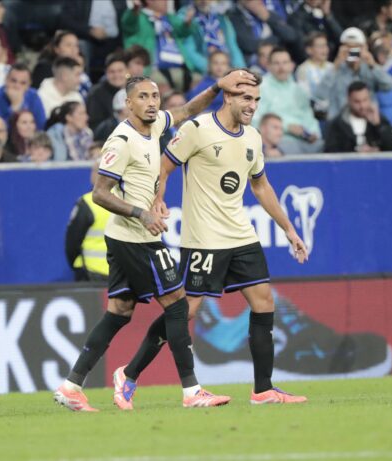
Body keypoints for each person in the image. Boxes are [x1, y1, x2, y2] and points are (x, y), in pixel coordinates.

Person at [52, 69, 257, 412]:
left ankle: (71, 386)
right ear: (128, 103)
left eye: (155, 96)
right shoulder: (121, 140)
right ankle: (192, 391)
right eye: (143, 97)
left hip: (126, 237)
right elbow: (100, 193)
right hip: (135, 239)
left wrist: (216, 87)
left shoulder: (156, 124)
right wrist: (142, 214)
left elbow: (187, 110)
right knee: (178, 305)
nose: (151, 103)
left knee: (119, 313)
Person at [113, 69, 309, 410]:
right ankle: (129, 374)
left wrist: (289, 229)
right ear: (228, 97)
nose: (252, 105)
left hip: (241, 234)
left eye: (256, 100)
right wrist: (157, 199)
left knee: (264, 302)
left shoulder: (252, 138)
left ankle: (263, 389)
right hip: (204, 239)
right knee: (185, 311)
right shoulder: (197, 129)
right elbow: (164, 167)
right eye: (245, 97)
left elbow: (261, 186)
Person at [315, 27, 392, 120]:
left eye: (356, 48)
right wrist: (336, 65)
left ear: (364, 48)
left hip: (366, 120)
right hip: (341, 122)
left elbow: (389, 85)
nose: (353, 52)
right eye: (349, 47)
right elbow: (320, 95)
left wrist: (373, 65)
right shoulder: (335, 70)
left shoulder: (370, 69)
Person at [254, 47, 322, 154]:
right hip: (280, 138)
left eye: (285, 63)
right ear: (269, 66)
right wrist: (286, 127)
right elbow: (256, 120)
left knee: (322, 145)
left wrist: (313, 133)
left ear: (292, 65)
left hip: (305, 139)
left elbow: (308, 116)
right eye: (276, 63)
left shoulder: (299, 90)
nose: (281, 67)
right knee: (286, 146)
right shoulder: (261, 89)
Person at [66, 159, 110, 282]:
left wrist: (77, 267)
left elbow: (72, 242)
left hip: (90, 274)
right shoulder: (125, 203)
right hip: (119, 275)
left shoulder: (87, 203)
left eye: (94, 171)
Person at [324, 81, 392, 153]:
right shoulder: (337, 125)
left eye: (365, 100)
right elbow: (331, 152)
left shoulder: (380, 120)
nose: (362, 106)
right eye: (357, 102)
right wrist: (355, 152)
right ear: (349, 100)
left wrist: (379, 125)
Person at [0, 63, 46, 131]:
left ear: (29, 85)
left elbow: (40, 125)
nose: (17, 86)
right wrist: (15, 107)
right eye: (13, 81)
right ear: (6, 80)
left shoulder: (34, 96)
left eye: (23, 83)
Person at [87, 52, 127, 131]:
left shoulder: (133, 90)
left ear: (127, 71)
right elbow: (95, 128)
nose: (116, 75)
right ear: (106, 73)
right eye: (112, 72)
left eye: (120, 71)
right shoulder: (96, 94)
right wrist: (118, 118)